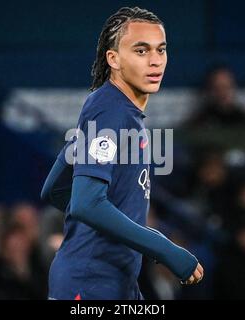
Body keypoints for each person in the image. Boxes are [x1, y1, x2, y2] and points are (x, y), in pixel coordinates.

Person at [40, 7, 203, 300]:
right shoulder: (110, 108)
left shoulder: (118, 112)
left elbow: (54, 190)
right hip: (89, 285)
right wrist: (165, 249)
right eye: (141, 51)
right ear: (113, 59)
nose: (155, 61)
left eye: (161, 50)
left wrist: (104, 223)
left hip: (115, 282)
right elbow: (85, 204)